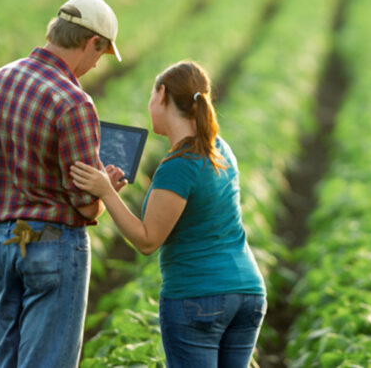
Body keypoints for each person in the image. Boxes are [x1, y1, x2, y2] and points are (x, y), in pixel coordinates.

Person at [69, 61, 267, 367]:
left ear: (162, 95)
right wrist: (109, 193)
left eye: (151, 96)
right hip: (248, 293)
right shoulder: (220, 149)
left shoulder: (179, 165)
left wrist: (105, 192)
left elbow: (147, 241)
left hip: (199, 296)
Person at [0, 0, 124, 367]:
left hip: (5, 240)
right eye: (99, 54)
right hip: (53, 246)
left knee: (5, 359)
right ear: (93, 42)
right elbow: (85, 203)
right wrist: (105, 189)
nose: (94, 65)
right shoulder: (73, 102)